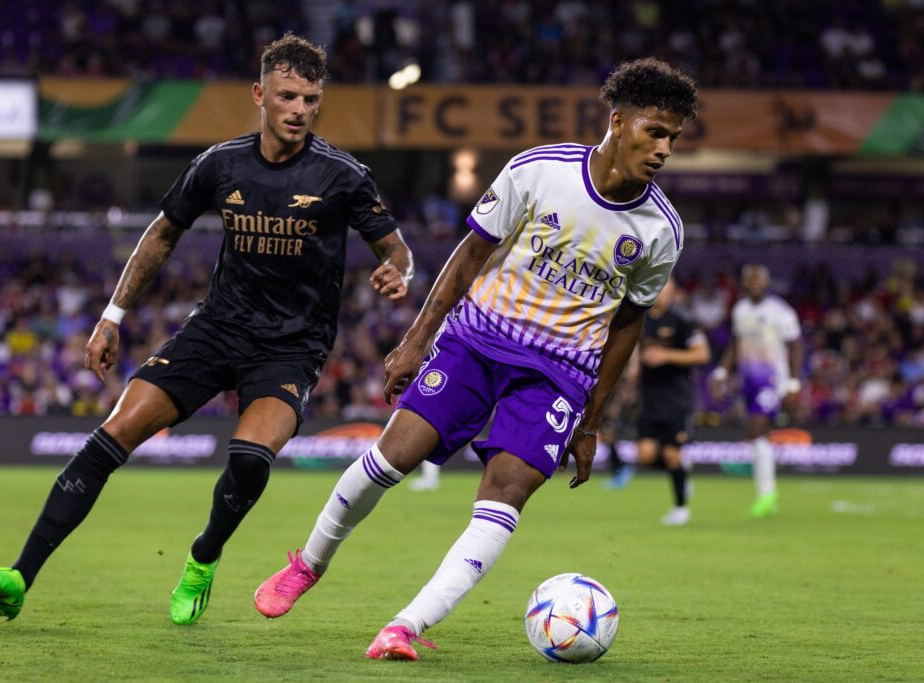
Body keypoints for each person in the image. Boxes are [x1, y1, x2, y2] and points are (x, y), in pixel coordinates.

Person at [254, 58, 698, 660]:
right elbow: (468, 257)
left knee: (504, 492)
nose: (665, 147)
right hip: (477, 341)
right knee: (393, 457)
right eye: (656, 131)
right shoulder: (540, 171)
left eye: (674, 136)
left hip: (559, 373)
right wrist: (416, 339)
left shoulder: (661, 230)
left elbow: (626, 328)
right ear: (618, 122)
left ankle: (405, 627)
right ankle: (308, 563)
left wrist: (591, 421)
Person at [0, 33, 413, 623]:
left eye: (310, 99)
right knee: (111, 435)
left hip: (290, 347)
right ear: (260, 95)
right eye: (287, 96)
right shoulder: (218, 164)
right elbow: (161, 236)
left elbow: (396, 248)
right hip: (216, 330)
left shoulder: (342, 175)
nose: (300, 110)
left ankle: (203, 556)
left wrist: (395, 272)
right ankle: (18, 577)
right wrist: (111, 317)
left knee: (250, 458)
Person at [712, 264, 802, 518]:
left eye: (758, 279)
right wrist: (721, 371)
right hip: (749, 380)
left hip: (773, 380)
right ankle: (768, 495)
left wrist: (794, 383)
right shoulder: (740, 310)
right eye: (749, 279)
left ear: (767, 281)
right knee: (759, 437)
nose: (754, 283)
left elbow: (795, 347)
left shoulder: (780, 312)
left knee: (755, 430)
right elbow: (735, 343)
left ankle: (767, 495)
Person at [633, 276, 710, 525]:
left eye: (666, 287)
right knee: (645, 455)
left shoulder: (683, 320)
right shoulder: (640, 318)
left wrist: (666, 355)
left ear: (673, 292)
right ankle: (681, 475)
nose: (661, 291)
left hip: (677, 398)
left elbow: (702, 354)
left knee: (672, 454)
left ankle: (680, 509)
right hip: (650, 397)